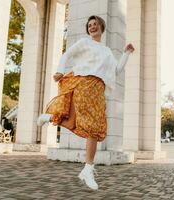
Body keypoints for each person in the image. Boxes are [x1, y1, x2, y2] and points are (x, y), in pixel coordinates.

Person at [37, 15, 135, 190]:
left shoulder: (107, 52)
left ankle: (50, 117)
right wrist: (60, 71)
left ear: (101, 27)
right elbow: (67, 54)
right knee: (93, 127)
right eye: (89, 25)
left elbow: (116, 70)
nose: (92, 27)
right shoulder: (84, 43)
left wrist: (126, 53)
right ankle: (88, 169)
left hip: (98, 90)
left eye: (95, 24)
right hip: (83, 84)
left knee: (83, 126)